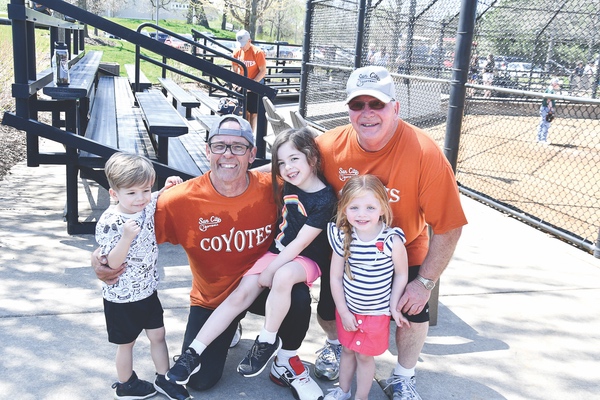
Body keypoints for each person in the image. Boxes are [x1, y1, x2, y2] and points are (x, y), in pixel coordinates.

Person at [93, 115, 324, 400]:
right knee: (200, 381)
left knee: (297, 294)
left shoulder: (275, 187)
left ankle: (285, 361)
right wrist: (100, 257)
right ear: (207, 151)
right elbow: (132, 223)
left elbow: (314, 173)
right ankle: (230, 327)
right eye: (219, 146)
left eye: (238, 147)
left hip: (259, 287)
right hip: (213, 299)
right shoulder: (179, 200)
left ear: (252, 154)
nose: (227, 154)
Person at [314, 65, 467, 400]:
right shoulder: (328, 146)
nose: (367, 113)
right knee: (328, 309)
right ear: (349, 110)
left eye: (377, 104)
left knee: (411, 310)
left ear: (395, 108)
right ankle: (336, 345)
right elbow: (287, 168)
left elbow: (450, 226)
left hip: (404, 247)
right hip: (349, 248)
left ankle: (403, 375)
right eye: (358, 105)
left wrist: (424, 283)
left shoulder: (425, 153)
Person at [164, 127, 335, 395]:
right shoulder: (285, 182)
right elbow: (256, 169)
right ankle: (193, 354)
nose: (288, 168)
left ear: (312, 158)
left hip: (302, 258)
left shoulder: (324, 197)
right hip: (257, 265)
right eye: (282, 162)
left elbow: (301, 243)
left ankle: (274, 349)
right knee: (238, 298)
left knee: (289, 285)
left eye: (295, 160)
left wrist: (272, 269)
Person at [95, 152, 188, 400]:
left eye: (145, 190)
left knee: (158, 335)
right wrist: (126, 237)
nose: (141, 199)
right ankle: (126, 384)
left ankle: (164, 378)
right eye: (132, 193)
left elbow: (154, 200)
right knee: (127, 343)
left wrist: (165, 189)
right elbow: (111, 264)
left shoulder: (145, 204)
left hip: (147, 290)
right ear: (114, 194)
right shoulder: (111, 222)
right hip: (121, 297)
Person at [324, 175, 409, 400]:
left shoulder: (391, 240)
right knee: (348, 351)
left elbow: (401, 274)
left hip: (376, 315)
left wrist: (393, 307)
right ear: (344, 208)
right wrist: (343, 311)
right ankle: (342, 391)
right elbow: (335, 277)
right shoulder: (343, 237)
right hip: (348, 312)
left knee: (364, 357)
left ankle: (361, 397)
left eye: (370, 207)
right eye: (354, 207)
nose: (362, 214)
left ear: (382, 207)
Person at [232, 29, 267, 133]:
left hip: (255, 83)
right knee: (245, 111)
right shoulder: (236, 52)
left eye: (243, 44)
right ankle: (244, 132)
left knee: (254, 112)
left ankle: (251, 134)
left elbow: (263, 71)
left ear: (249, 41)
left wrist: (252, 84)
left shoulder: (258, 52)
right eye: (239, 44)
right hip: (243, 84)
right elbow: (234, 69)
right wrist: (235, 82)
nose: (242, 46)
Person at [536, 78, 561, 144]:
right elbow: (548, 100)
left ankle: (539, 138)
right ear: (554, 83)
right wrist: (551, 109)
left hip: (544, 107)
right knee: (546, 123)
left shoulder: (550, 89)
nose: (558, 85)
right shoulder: (551, 90)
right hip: (546, 108)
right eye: (557, 84)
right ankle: (543, 139)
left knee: (542, 122)